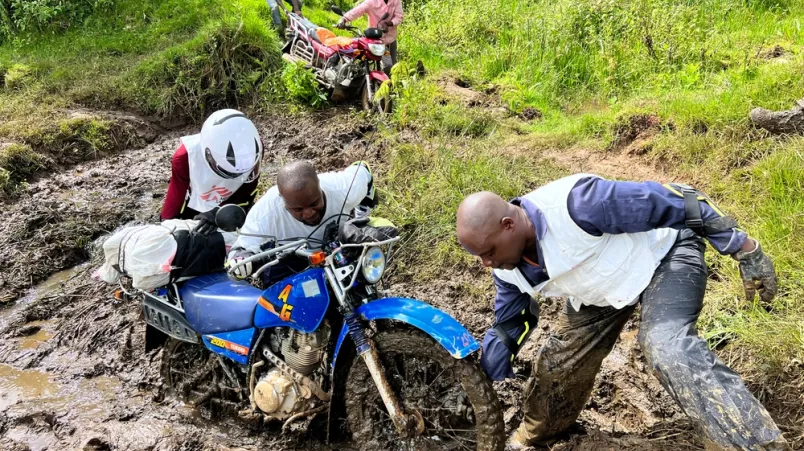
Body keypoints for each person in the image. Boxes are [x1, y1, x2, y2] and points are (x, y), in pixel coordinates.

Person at [455, 174, 790, 451]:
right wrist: (491, 361)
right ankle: (538, 435)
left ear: (509, 225)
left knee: (666, 346)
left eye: (489, 251)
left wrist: (745, 249)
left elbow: (683, 200)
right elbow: (513, 321)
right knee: (559, 364)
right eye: (479, 256)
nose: (486, 263)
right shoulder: (506, 267)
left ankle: (755, 443)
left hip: (664, 256)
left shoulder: (578, 204)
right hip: (601, 288)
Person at [227, 160, 375, 283]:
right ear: (283, 201)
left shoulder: (343, 187)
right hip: (294, 258)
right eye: (298, 209)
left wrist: (361, 213)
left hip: (338, 247)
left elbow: (363, 170)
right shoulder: (266, 212)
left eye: (314, 203)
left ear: (319, 186)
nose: (309, 213)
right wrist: (242, 260)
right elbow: (240, 249)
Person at [161, 109, 263, 235]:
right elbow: (176, 194)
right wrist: (166, 225)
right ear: (208, 154)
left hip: (233, 203)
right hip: (197, 203)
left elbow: (246, 192)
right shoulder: (185, 157)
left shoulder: (253, 151)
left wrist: (217, 213)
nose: (235, 177)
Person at [336, 0, 403, 74]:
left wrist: (390, 23)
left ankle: (389, 80)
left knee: (394, 66)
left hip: (391, 38)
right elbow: (357, 10)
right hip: (376, 39)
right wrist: (344, 19)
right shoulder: (372, 2)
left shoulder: (396, 1)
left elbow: (399, 17)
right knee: (388, 66)